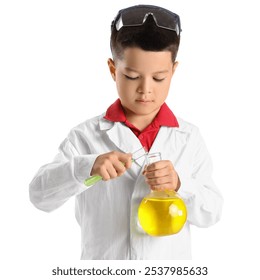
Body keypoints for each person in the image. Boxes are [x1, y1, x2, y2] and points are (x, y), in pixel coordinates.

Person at [29, 4, 223, 260]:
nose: (145, 90)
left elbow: (211, 213)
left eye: (159, 78)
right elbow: (40, 197)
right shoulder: (85, 136)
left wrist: (179, 184)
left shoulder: (188, 137)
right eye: (132, 76)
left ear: (173, 72)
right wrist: (86, 167)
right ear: (113, 70)